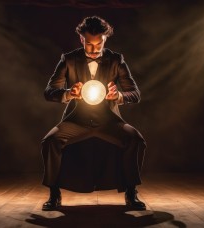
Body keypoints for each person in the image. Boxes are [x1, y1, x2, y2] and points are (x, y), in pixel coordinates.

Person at [41, 16, 146, 211]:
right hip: (77, 120)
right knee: (50, 141)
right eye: (89, 44)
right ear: (81, 40)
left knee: (136, 139)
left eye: (99, 43)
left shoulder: (116, 59)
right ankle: (54, 194)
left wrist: (119, 96)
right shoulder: (69, 59)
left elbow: (135, 94)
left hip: (108, 121)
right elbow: (49, 92)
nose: (94, 49)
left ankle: (131, 193)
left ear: (105, 40)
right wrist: (68, 93)